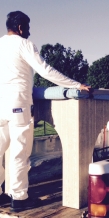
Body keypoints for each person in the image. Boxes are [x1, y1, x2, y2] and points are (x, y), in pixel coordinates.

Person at [0, 11, 90, 212]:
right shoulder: (24, 45)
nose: (30, 31)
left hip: (1, 105)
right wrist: (76, 85)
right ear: (21, 27)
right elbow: (45, 70)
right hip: (18, 105)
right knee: (19, 152)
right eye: (28, 27)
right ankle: (19, 198)